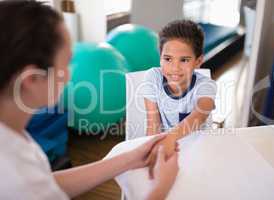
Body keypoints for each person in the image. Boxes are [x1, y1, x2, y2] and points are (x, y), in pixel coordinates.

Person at [0, 1, 178, 199]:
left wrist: (129, 159)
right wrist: (161, 187)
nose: (70, 75)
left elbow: (44, 183)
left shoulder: (11, 134)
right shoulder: (11, 176)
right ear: (31, 80)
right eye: (67, 63)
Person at [143, 20, 217, 177]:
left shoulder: (206, 86)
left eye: (184, 60)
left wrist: (169, 139)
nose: (175, 68)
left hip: (198, 152)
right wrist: (153, 152)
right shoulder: (152, 77)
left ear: (198, 61)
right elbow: (153, 125)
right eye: (168, 59)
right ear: (160, 57)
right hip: (166, 150)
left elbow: (199, 116)